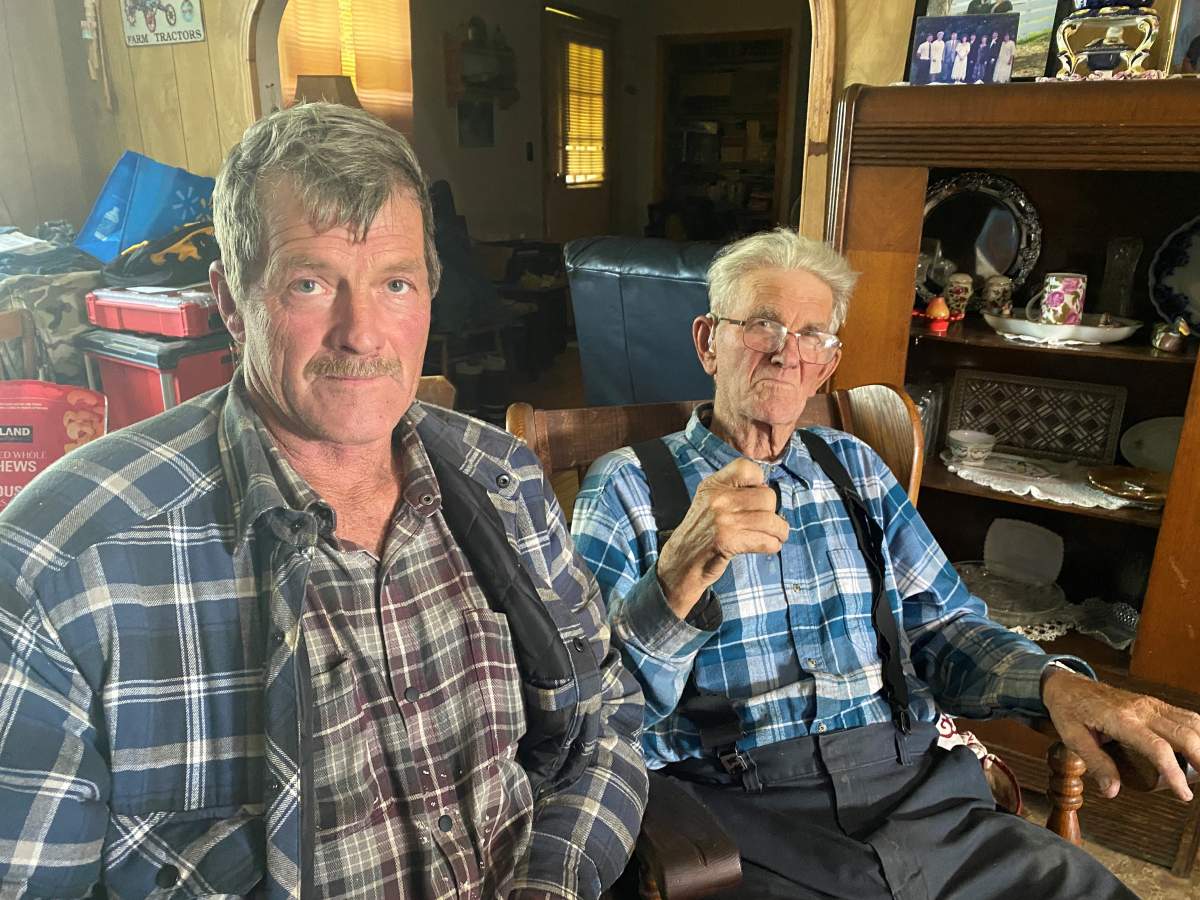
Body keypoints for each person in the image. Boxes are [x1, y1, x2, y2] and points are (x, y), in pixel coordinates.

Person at [0, 103, 647, 899]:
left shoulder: (503, 478)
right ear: (231, 302)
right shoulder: (60, 568)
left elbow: (605, 723)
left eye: (395, 283)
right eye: (309, 284)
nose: (362, 334)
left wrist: (553, 882)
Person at [571, 228, 1200, 899]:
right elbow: (586, 714)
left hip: (918, 795)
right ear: (708, 342)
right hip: (742, 818)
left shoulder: (855, 467)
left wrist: (1056, 684)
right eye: (762, 324)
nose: (787, 351)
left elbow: (943, 626)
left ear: (827, 363)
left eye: (812, 335)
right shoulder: (627, 486)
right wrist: (676, 581)